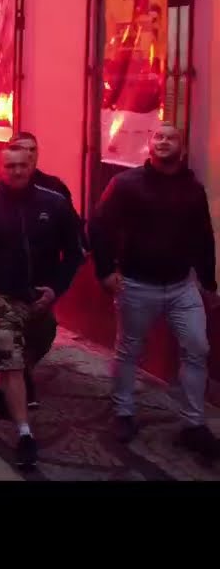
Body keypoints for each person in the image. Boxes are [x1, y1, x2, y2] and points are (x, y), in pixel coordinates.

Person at [90, 123, 219, 460]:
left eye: (171, 137)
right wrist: (105, 271)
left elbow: (204, 237)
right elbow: (99, 226)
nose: (163, 141)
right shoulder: (126, 184)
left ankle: (194, 424)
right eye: (158, 136)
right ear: (149, 145)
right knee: (130, 350)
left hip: (181, 286)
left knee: (197, 348)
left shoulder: (192, 189)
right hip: (137, 284)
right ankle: (124, 412)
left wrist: (209, 283)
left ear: (181, 147)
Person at [0, 144, 85, 471]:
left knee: (39, 342)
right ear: (1, 167)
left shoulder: (54, 204)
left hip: (40, 297)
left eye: (22, 165)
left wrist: (55, 288)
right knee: (12, 359)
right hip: (0, 295)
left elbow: (74, 253)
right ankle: (25, 433)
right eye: (10, 166)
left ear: (32, 164)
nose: (16, 171)